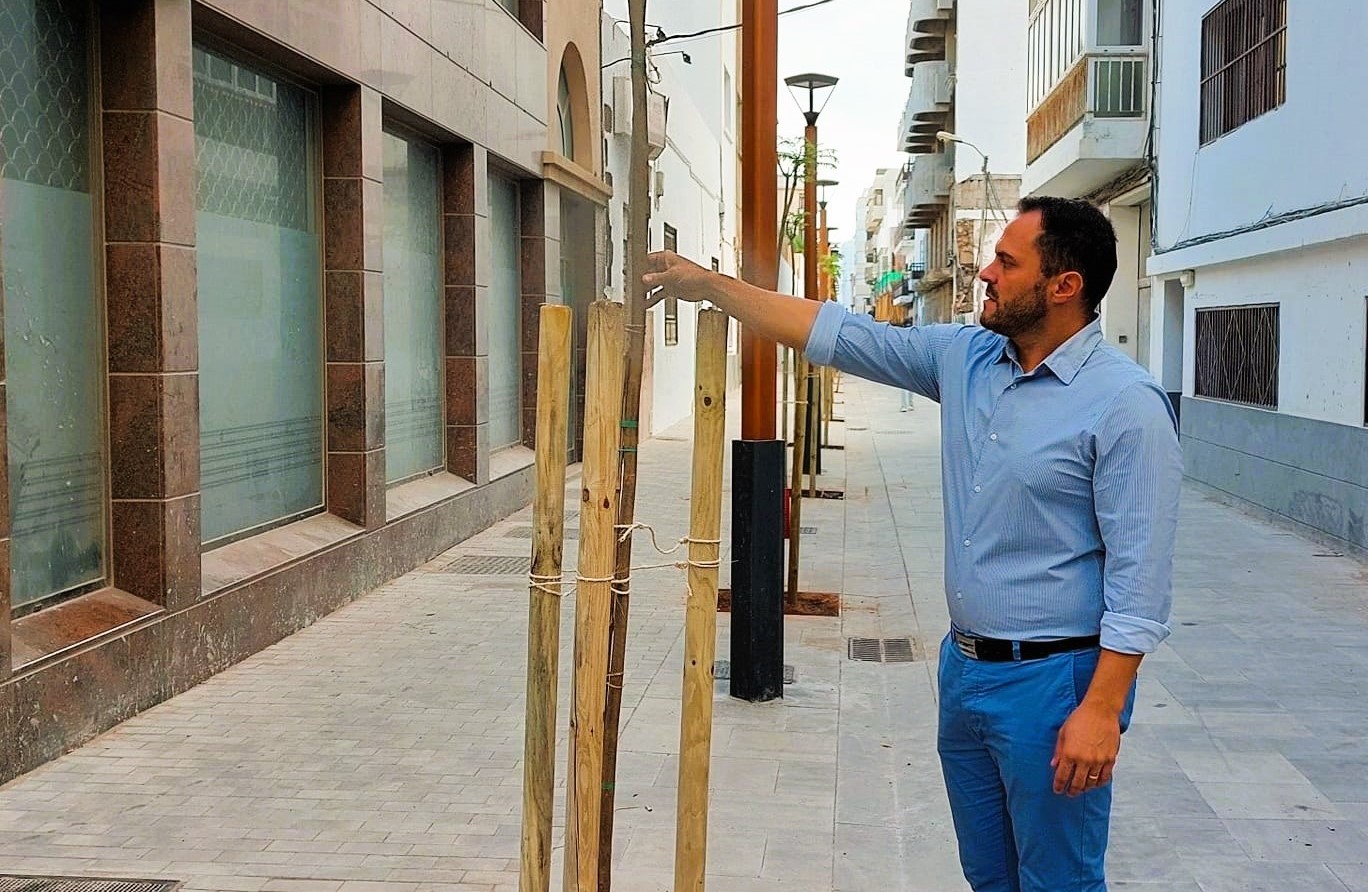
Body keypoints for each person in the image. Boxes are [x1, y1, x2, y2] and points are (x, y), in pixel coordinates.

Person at [644, 196, 1182, 892]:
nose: (986, 273)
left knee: (1059, 883)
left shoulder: (1126, 405)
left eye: (1007, 262)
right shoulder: (967, 358)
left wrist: (1102, 710)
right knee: (989, 876)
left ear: (1064, 286)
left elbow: (1142, 582)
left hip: (1056, 687)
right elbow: (837, 333)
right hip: (965, 671)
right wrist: (712, 286)